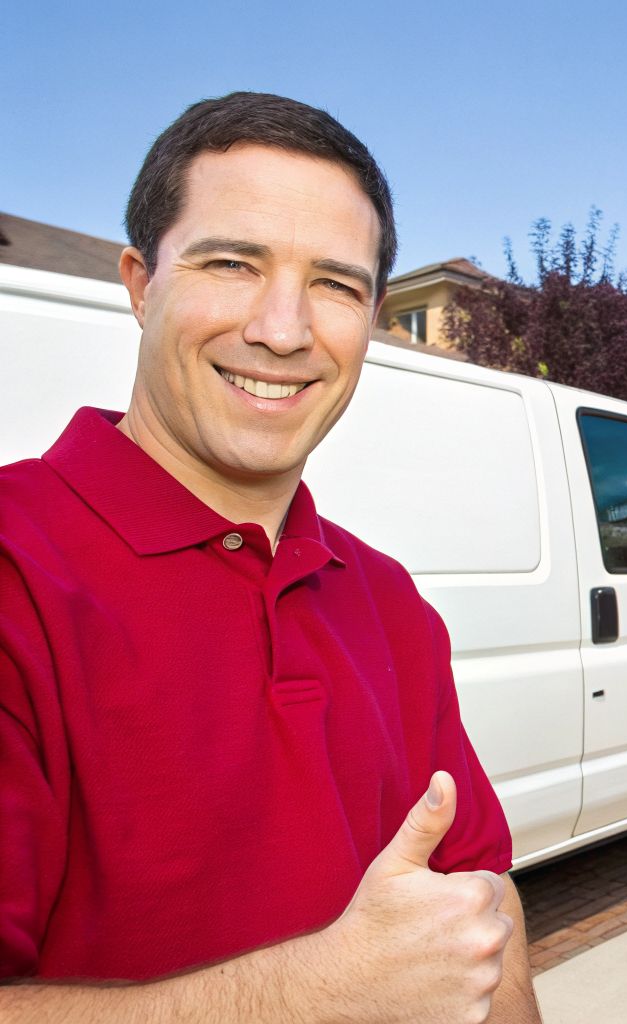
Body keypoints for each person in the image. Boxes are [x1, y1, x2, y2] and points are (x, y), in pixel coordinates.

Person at [0, 93, 540, 1022]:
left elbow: (482, 893)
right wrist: (317, 995)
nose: (283, 330)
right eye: (232, 263)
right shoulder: (18, 571)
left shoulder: (386, 599)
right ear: (140, 283)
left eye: (335, 284)